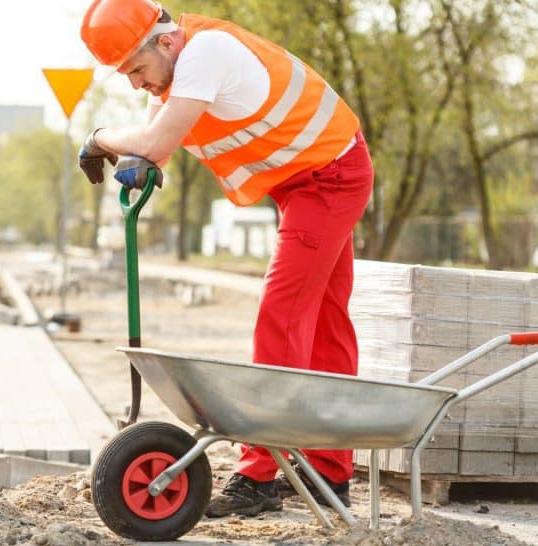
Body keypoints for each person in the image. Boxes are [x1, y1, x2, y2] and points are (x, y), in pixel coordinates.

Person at [79, 0, 374, 517]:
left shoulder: (206, 53)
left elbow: (153, 139)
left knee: (282, 314)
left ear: (165, 43)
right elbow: (156, 147)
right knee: (325, 320)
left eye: (136, 70)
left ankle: (261, 473)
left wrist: (100, 139)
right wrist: (139, 158)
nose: (135, 85)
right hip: (306, 179)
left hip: (329, 178)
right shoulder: (176, 73)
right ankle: (330, 470)